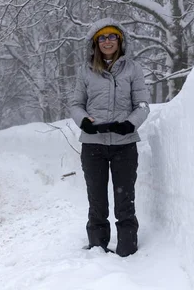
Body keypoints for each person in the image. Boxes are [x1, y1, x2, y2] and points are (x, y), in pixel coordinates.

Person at [70, 19, 151, 257]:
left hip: (124, 145)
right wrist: (84, 121)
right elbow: (76, 104)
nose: (107, 41)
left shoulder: (133, 69)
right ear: (96, 43)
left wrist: (130, 123)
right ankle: (97, 247)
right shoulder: (85, 70)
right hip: (93, 144)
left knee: (125, 200)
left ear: (120, 41)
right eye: (102, 38)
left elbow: (143, 105)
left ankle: (128, 248)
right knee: (97, 200)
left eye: (112, 37)